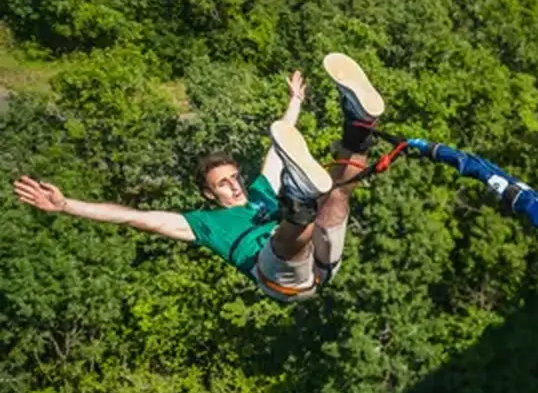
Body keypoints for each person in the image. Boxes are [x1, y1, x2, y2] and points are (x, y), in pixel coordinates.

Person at [11, 53, 385, 303]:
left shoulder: (259, 190)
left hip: (325, 263)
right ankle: (300, 203)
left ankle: (358, 127)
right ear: (208, 195)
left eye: (235, 177)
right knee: (289, 236)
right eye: (224, 183)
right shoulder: (203, 223)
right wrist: (65, 205)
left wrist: (295, 103)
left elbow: (279, 144)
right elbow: (132, 216)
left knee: (335, 200)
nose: (235, 184)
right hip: (282, 279)